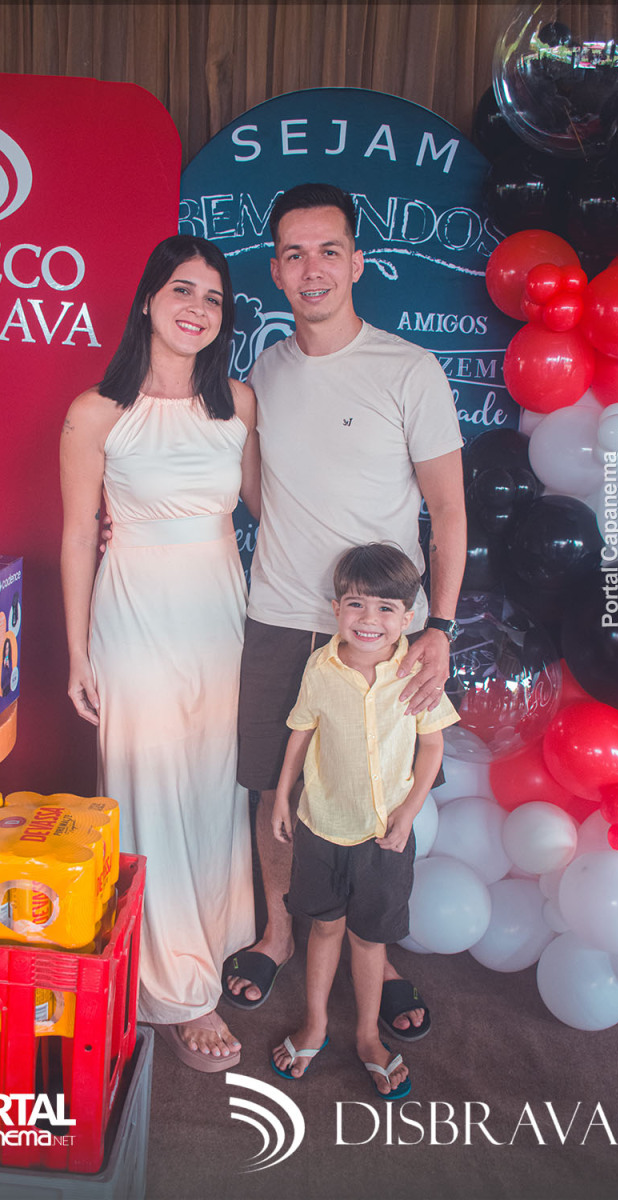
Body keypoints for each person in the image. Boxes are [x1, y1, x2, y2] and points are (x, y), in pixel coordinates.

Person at [224, 183, 466, 1038]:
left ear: (358, 262)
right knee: (274, 783)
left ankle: (375, 950)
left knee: (373, 788)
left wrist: (438, 627)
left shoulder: (409, 369)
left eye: (328, 250)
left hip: (377, 630)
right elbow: (259, 491)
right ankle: (279, 931)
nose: (312, 268)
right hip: (281, 611)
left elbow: (449, 511)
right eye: (294, 253)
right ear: (276, 271)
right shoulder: (267, 371)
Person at [60, 234, 260, 1072]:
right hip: (134, 611)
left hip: (220, 614)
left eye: (213, 298)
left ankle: (209, 942)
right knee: (147, 788)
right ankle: (176, 991)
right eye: (183, 290)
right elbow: (79, 534)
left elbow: (270, 508)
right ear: (148, 299)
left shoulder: (238, 403)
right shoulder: (95, 412)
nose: (197, 309)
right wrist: (78, 653)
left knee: (213, 789)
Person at [270, 543, 460, 1096]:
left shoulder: (416, 671)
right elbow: (301, 731)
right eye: (356, 604)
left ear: (408, 617)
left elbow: (432, 747)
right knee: (325, 927)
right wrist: (281, 796)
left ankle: (368, 1037)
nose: (369, 619)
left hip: (385, 837)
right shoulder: (320, 667)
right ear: (336, 610)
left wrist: (409, 811)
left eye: (385, 608)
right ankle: (315, 1025)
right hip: (322, 827)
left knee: (369, 940)